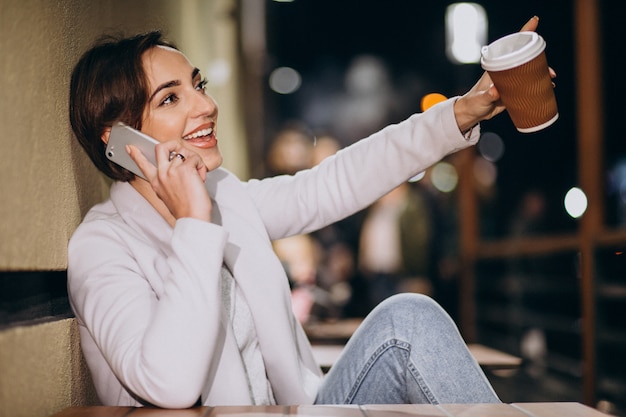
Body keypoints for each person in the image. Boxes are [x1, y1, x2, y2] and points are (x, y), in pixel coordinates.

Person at [67, 17, 552, 408]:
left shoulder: (226, 197)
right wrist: (192, 223)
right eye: (171, 98)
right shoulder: (103, 247)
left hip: (301, 408)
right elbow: (169, 384)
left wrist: (461, 112)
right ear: (119, 141)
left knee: (409, 319)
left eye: (199, 86)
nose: (207, 105)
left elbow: (334, 182)